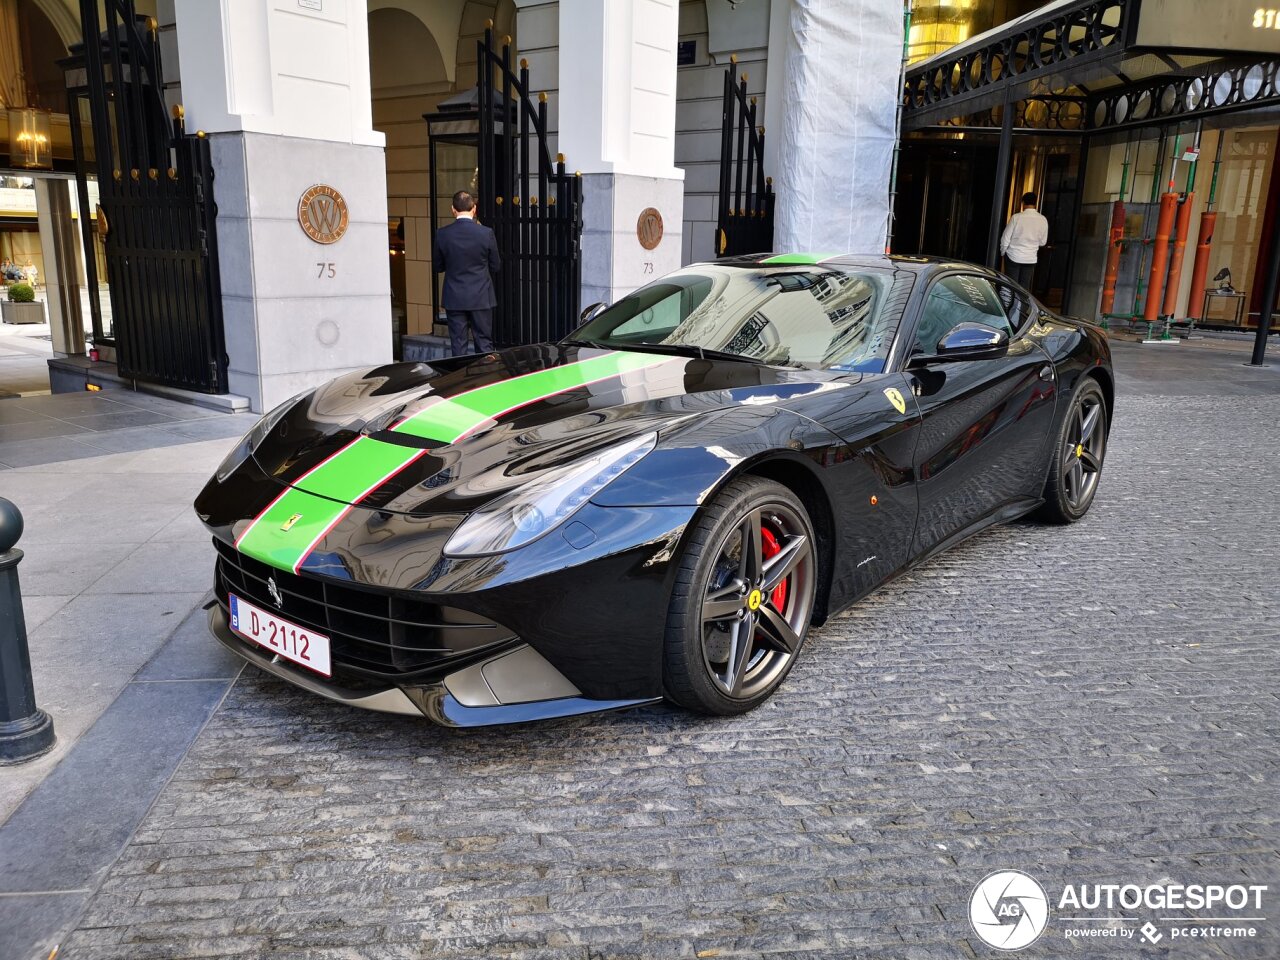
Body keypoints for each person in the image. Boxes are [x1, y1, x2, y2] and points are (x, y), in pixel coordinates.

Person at [432, 190, 501, 356]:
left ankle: (460, 380)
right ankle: (485, 379)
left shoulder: (442, 234)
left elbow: (438, 266)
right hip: (481, 296)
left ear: (453, 210)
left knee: (458, 344)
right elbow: (496, 265)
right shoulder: (486, 233)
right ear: (474, 209)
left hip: (454, 297)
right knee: (484, 343)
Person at [999, 191, 1049, 291]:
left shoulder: (1016, 218)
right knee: (1024, 288)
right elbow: (1043, 242)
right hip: (1030, 258)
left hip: (1013, 255)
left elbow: (1005, 238)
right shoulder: (1043, 219)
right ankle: (1020, 306)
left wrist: (1003, 252)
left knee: (1011, 285)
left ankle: (1009, 305)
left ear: (1023, 203)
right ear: (1035, 203)